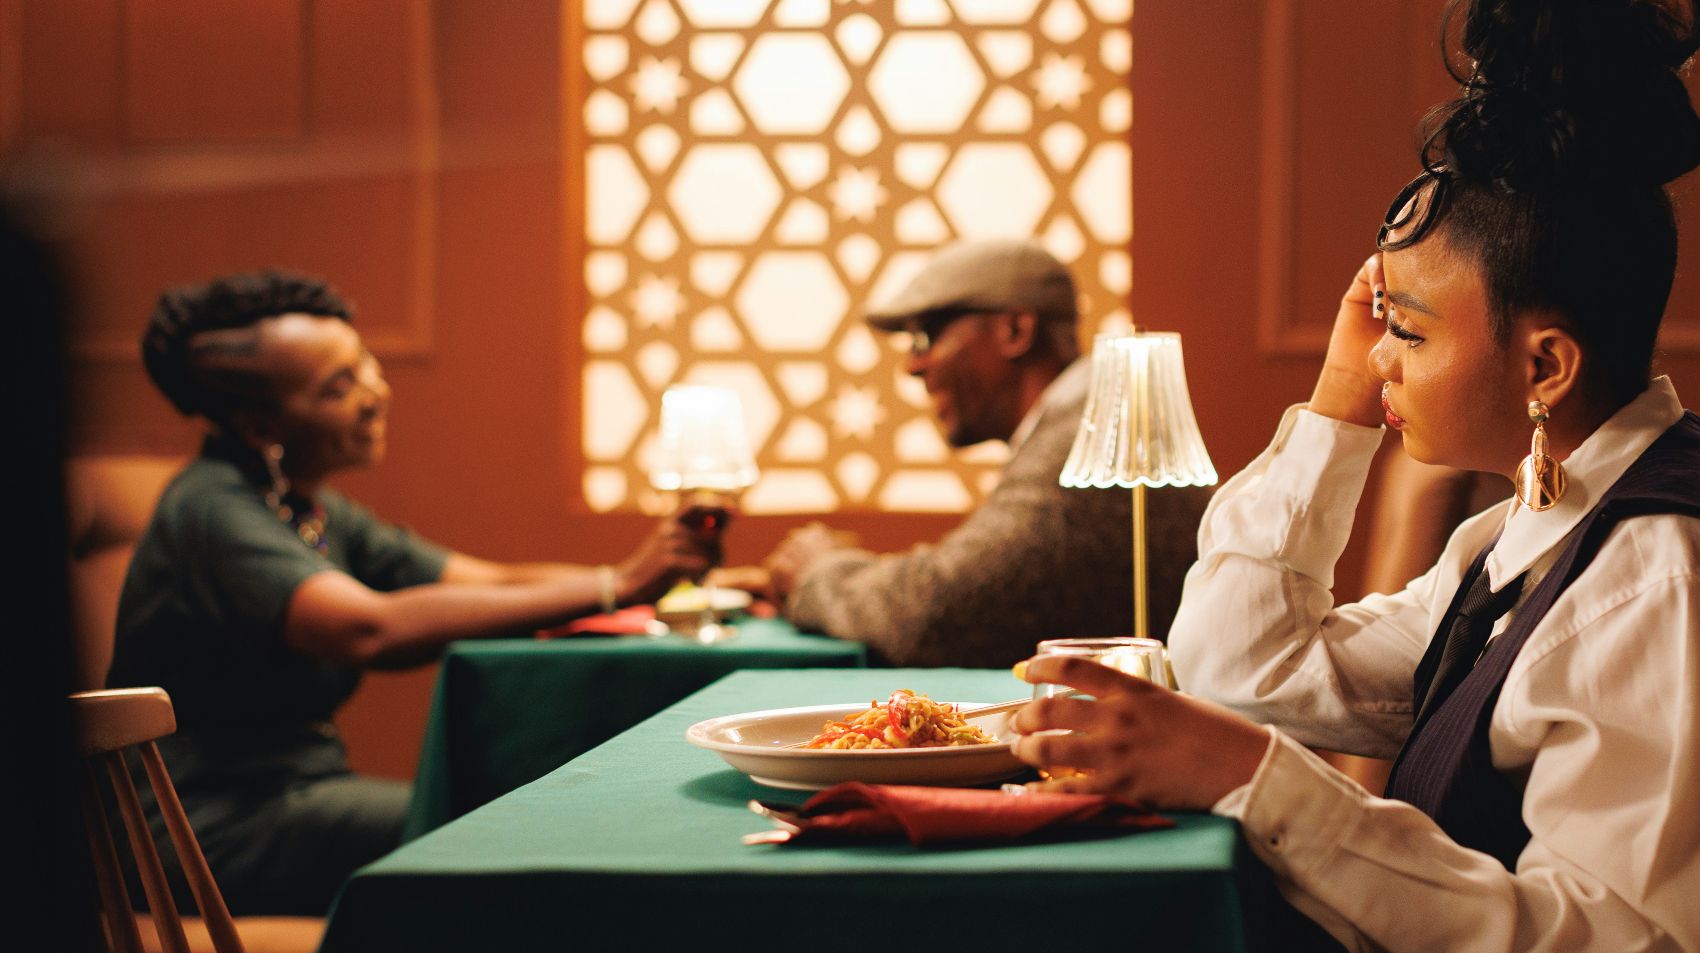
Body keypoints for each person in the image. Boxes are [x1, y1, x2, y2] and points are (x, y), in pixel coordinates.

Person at [1004, 1, 1700, 953]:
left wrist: (1252, 774)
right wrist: (1342, 397)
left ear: (1545, 368)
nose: (1380, 356)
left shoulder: (1673, 584)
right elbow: (1246, 670)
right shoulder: (1532, 532)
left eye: (1409, 331)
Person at [109, 269, 715, 915]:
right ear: (260, 425)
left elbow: (492, 581)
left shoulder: (308, 511)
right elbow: (368, 629)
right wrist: (618, 584)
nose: (377, 391)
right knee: (496, 823)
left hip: (298, 798)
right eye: (340, 386)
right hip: (198, 832)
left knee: (517, 809)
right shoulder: (211, 510)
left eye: (365, 364)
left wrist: (666, 580)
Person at [740, 238, 1211, 667]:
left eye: (927, 337)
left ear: (1014, 331)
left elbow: (936, 612)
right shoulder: (1094, 419)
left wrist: (819, 571)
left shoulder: (1087, 444)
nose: (912, 366)